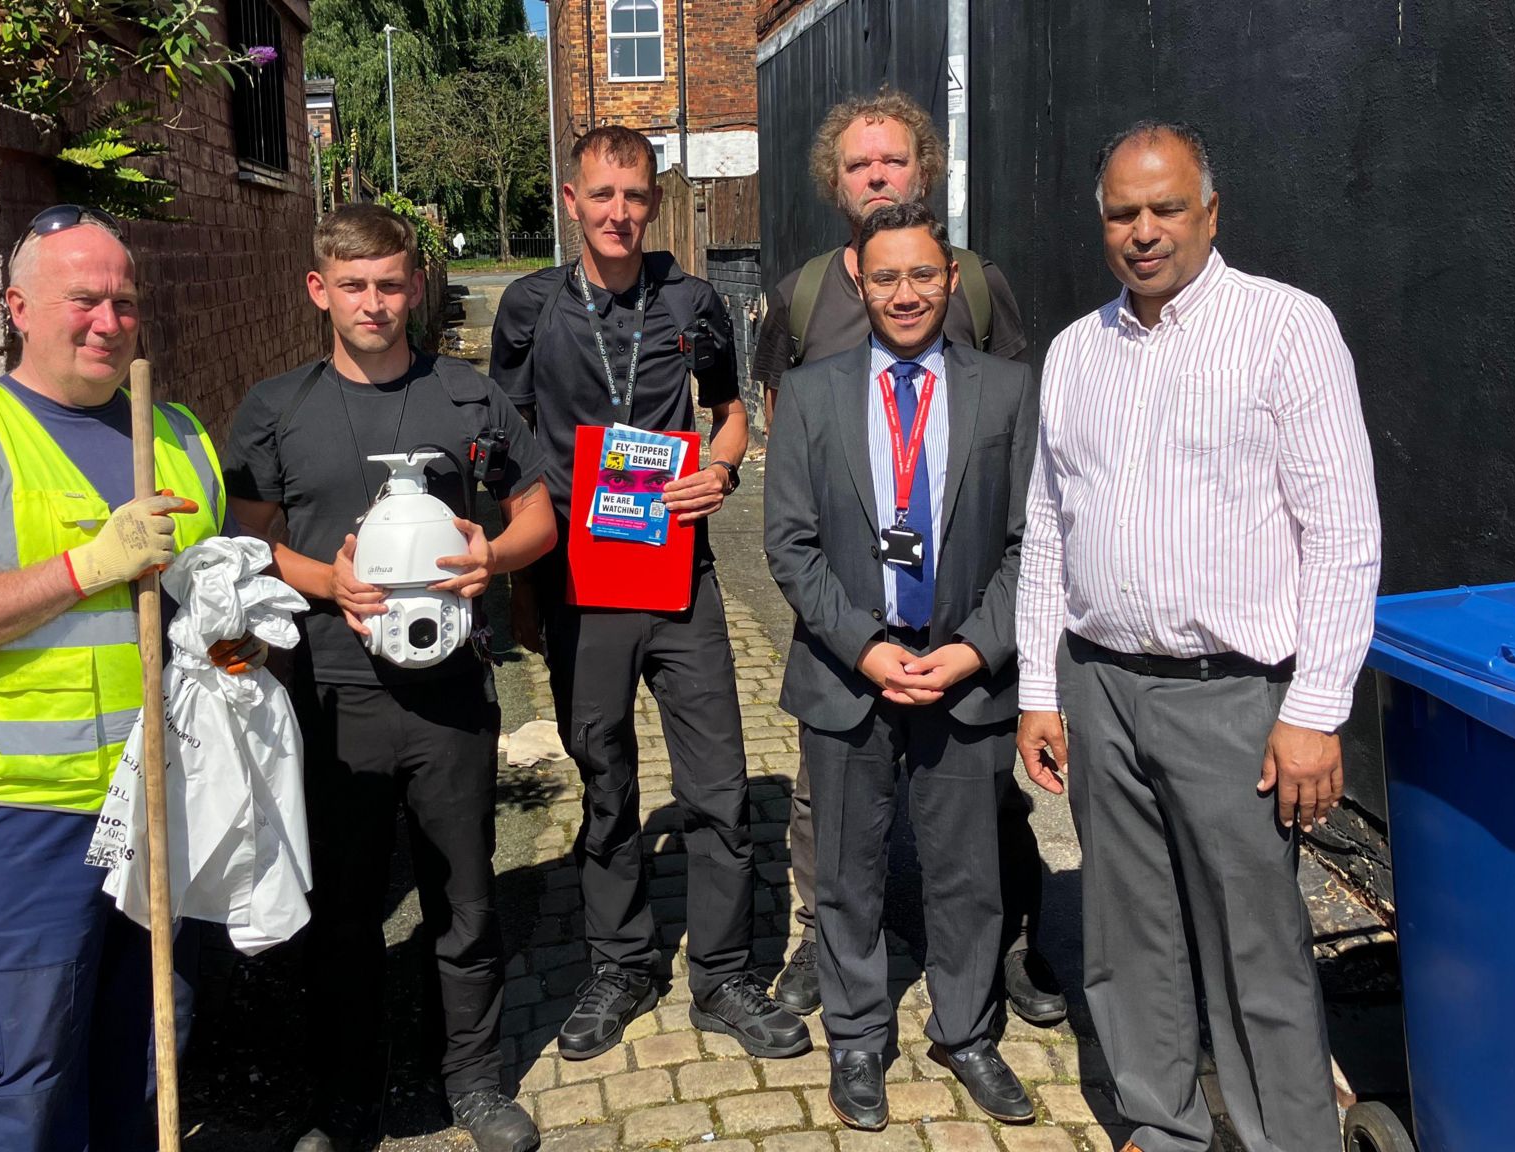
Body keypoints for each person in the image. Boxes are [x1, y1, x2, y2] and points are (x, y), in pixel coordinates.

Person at [1015, 121, 1381, 1152]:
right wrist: (1040, 689)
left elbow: (1342, 535)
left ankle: (1286, 1139)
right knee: (1127, 937)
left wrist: (1312, 710)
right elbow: (1047, 526)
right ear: (1101, 226)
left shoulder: (1283, 329)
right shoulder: (1073, 352)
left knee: (1251, 947)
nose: (1143, 231)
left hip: (1230, 698)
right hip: (1097, 688)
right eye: (1122, 213)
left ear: (1208, 213)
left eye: (1164, 207)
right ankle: (1163, 1124)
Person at [0, 205, 255, 1149]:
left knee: (144, 1056)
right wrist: (88, 566)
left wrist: (231, 640)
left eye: (124, 301)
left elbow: (201, 606)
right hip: (27, 822)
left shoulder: (174, 433)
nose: (108, 320)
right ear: (19, 307)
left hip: (159, 809)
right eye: (83, 298)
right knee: (22, 1074)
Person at [225, 203, 554, 1152]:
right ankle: (348, 1094)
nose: (375, 303)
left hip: (451, 693)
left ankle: (474, 1081)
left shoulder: (467, 395)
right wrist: (325, 580)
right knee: (344, 911)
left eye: (391, 284)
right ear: (319, 290)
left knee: (465, 897)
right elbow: (250, 540)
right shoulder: (274, 408)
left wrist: (492, 554)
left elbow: (540, 512)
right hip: (332, 696)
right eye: (354, 286)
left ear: (415, 285)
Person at [490, 126, 808, 1062]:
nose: (619, 213)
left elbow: (733, 410)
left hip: (678, 579)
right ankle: (622, 963)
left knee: (715, 788)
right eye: (603, 195)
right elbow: (503, 440)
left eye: (636, 196)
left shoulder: (696, 301)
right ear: (571, 200)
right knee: (603, 783)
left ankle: (721, 976)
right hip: (574, 584)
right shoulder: (526, 307)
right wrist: (514, 586)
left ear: (656, 201)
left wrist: (720, 470)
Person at [751, 89, 1066, 1029]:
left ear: (924, 175)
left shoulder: (977, 287)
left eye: (892, 162)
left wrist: (982, 640)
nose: (877, 175)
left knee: (979, 826)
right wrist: (853, 633)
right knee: (833, 823)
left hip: (965, 627)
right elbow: (785, 488)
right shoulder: (804, 296)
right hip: (851, 634)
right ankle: (837, 958)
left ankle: (994, 962)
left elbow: (1017, 452)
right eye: (858, 165)